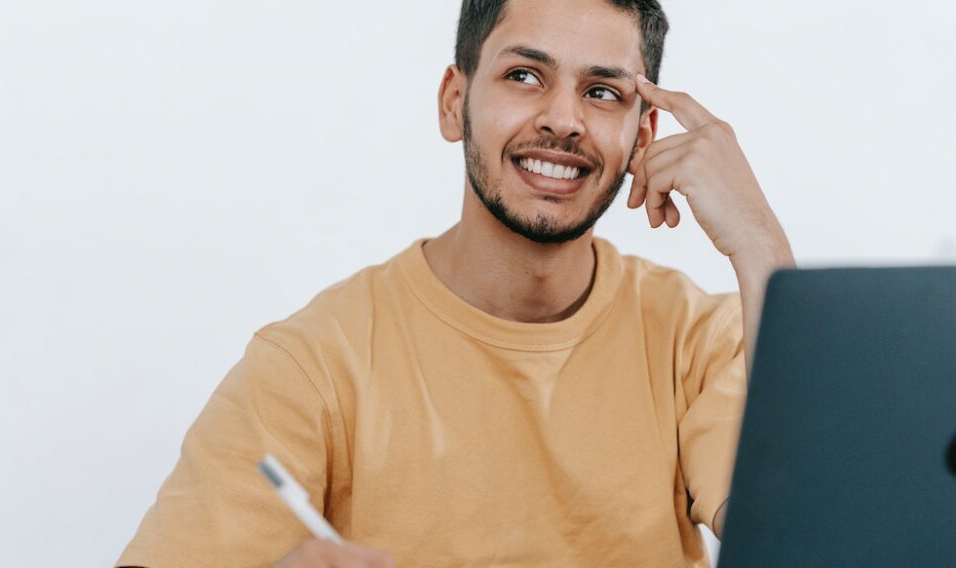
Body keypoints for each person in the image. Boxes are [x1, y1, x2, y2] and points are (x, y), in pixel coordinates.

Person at [117, 0, 794, 566]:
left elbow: (814, 541)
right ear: (454, 103)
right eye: (526, 75)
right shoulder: (313, 365)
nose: (564, 119)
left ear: (643, 135)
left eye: (602, 92)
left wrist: (760, 246)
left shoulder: (701, 342)